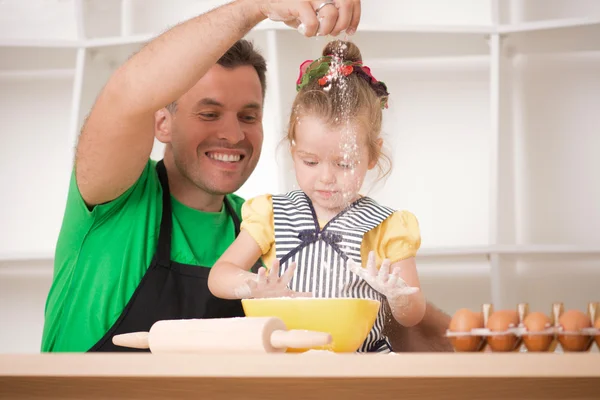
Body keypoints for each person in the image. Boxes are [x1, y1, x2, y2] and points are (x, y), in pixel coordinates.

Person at [40, 0, 452, 353]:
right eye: (209, 113)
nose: (233, 133)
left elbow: (401, 324)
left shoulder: (261, 224)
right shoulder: (116, 199)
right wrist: (255, 6)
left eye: (248, 115)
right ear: (161, 123)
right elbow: (128, 93)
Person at [208, 39, 426, 353]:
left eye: (344, 163)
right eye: (310, 162)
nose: (325, 177)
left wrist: (399, 296)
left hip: (361, 363)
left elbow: (412, 316)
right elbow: (220, 276)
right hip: (283, 363)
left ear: (373, 154)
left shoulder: (388, 226)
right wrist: (256, 287)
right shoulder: (272, 213)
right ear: (293, 148)